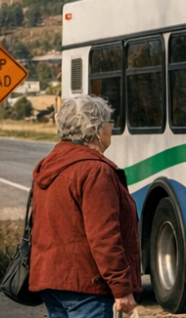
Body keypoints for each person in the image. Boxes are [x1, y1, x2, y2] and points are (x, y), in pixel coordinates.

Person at [29, 94, 141, 318]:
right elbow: (104, 236)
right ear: (96, 130)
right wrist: (122, 289)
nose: (112, 128)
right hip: (87, 285)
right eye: (109, 122)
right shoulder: (95, 171)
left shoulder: (49, 165)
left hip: (51, 280)